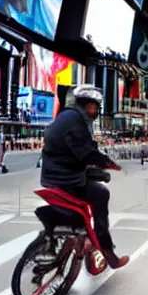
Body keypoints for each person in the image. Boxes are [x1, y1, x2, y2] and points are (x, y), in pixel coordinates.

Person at [40, 84, 129, 269]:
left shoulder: (67, 116)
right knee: (101, 194)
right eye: (93, 107)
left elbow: (79, 152)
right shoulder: (76, 121)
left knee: (96, 180)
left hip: (57, 174)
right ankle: (107, 250)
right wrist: (110, 164)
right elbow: (87, 153)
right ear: (86, 105)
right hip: (65, 180)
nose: (95, 111)